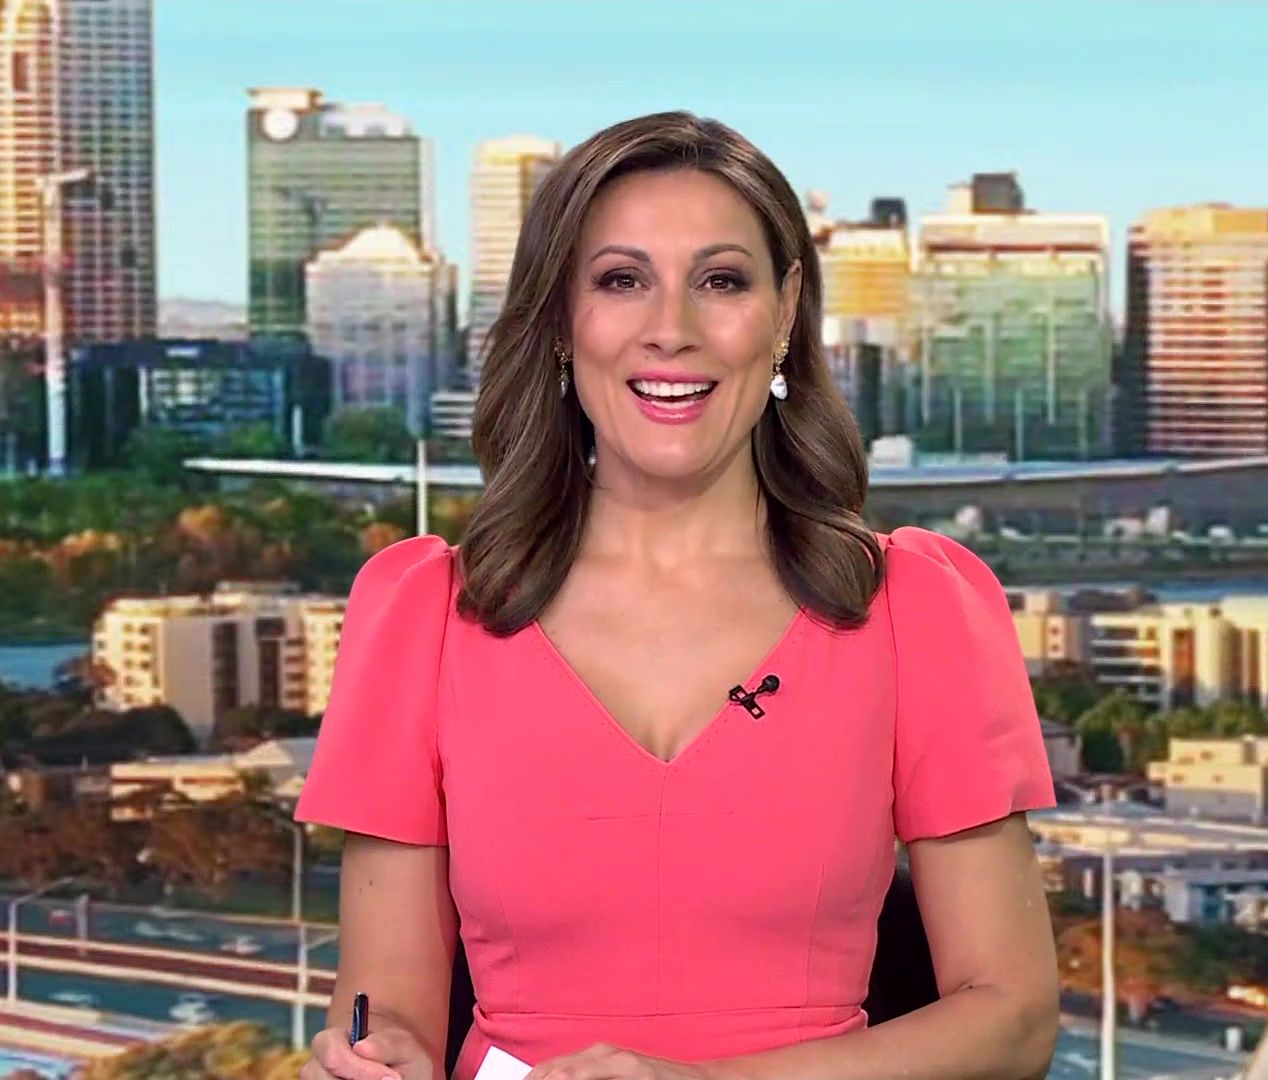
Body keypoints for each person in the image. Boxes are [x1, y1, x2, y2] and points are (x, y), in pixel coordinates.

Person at [295, 110, 1060, 1080]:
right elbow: (390, 1011)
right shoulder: (423, 618)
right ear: (560, 321)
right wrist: (378, 1060)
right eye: (622, 281)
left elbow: (1014, 1020)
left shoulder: (915, 609)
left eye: (721, 281)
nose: (671, 330)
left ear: (784, 314)